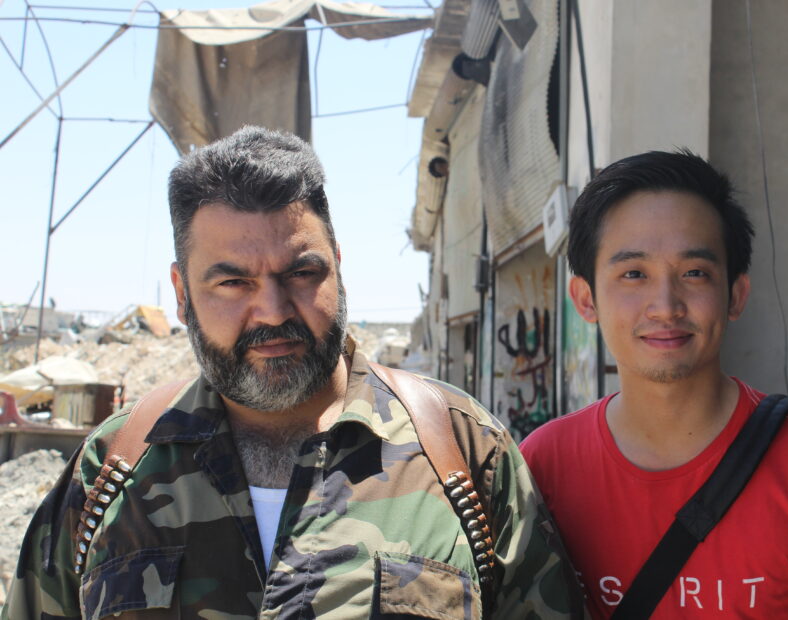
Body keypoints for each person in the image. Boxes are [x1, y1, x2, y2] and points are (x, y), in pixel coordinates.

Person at [3, 126, 582, 619]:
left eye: (302, 273)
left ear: (339, 269)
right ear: (181, 294)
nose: (274, 311)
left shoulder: (463, 453)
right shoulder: (112, 470)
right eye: (233, 283)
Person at [520, 150, 788, 619]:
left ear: (736, 295)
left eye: (694, 273)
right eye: (633, 274)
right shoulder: (542, 463)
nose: (665, 305)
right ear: (586, 298)